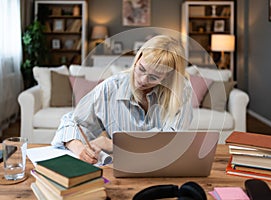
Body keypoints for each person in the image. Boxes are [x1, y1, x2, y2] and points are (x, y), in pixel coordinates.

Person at [51, 35, 193, 164]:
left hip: (163, 169)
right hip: (120, 171)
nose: (143, 80)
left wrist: (113, 145)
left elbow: (171, 143)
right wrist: (79, 148)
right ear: (137, 58)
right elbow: (72, 122)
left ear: (168, 77)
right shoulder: (111, 87)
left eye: (154, 77)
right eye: (142, 69)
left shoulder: (181, 91)